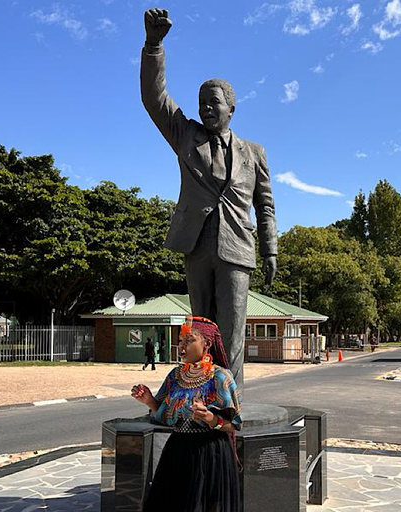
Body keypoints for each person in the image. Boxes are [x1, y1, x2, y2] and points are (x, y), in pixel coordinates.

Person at [141, 8, 278, 391]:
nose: (205, 108)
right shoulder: (186, 135)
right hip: (197, 246)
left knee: (232, 332)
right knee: (200, 331)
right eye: (201, 102)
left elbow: (265, 205)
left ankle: (229, 401)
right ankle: (198, 396)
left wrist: (270, 251)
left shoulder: (254, 152)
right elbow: (154, 98)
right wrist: (154, 45)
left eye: (213, 102)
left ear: (231, 109)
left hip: (237, 248)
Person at [131, 316, 241, 512]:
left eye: (189, 340)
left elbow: (233, 424)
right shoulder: (175, 376)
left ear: (207, 343)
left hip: (210, 453)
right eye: (181, 340)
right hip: (178, 449)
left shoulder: (220, 377)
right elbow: (165, 415)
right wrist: (149, 400)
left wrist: (211, 419)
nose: (182, 346)